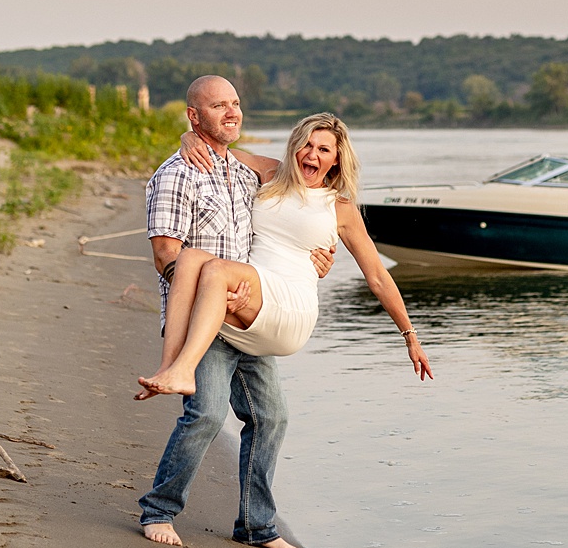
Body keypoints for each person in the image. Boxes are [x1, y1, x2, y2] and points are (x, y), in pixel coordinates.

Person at [136, 75, 333, 548]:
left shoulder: (246, 175)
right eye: (217, 106)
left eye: (236, 103)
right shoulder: (176, 173)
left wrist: (314, 260)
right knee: (204, 413)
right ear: (194, 116)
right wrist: (211, 281)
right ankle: (159, 510)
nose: (231, 112)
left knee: (271, 418)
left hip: (248, 317)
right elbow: (166, 256)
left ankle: (256, 526)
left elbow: (287, 219)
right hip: (202, 322)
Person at [138, 111, 432, 402]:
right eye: (306, 144)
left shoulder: (339, 207)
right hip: (251, 294)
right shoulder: (270, 173)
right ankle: (167, 369)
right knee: (188, 259)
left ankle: (185, 370)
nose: (312, 154)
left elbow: (378, 277)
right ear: (295, 146)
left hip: (292, 304)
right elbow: (221, 152)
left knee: (215, 270)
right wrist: (188, 137)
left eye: (323, 149)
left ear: (336, 159)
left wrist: (410, 336)